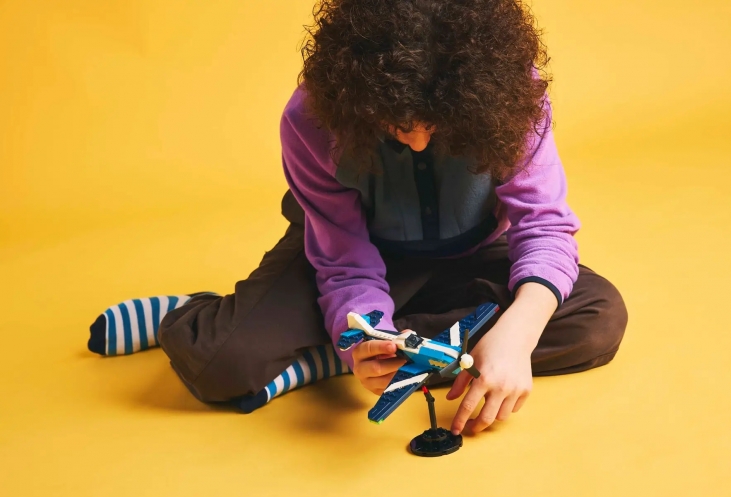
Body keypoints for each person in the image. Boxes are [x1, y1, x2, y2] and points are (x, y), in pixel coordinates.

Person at [88, 0, 627, 436]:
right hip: (355, 253)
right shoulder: (310, 118)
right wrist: (366, 330)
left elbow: (544, 226)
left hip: (476, 254)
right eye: (397, 123)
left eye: (434, 124)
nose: (417, 141)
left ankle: (331, 356)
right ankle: (201, 314)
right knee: (220, 364)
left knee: (597, 318)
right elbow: (344, 263)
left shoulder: (513, 94)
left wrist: (519, 334)